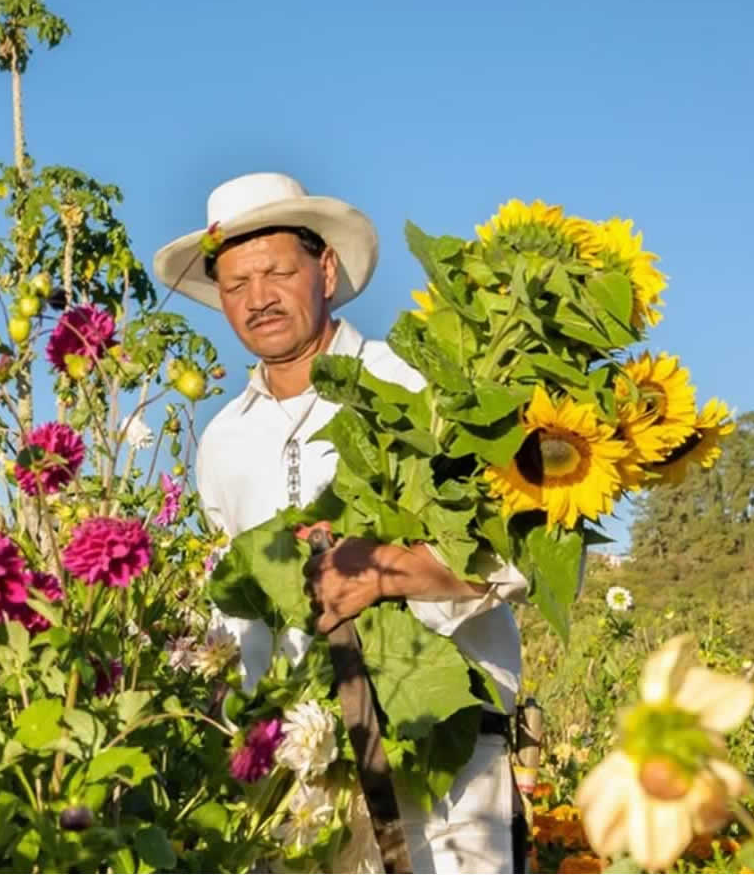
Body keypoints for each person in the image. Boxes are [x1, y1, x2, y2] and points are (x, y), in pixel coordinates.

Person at [154, 173, 528, 874]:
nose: (258, 298)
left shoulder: (418, 383)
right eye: (235, 285)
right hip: (298, 774)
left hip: (443, 757)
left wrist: (391, 570)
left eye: (275, 272)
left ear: (323, 267)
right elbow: (236, 618)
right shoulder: (222, 441)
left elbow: (515, 554)